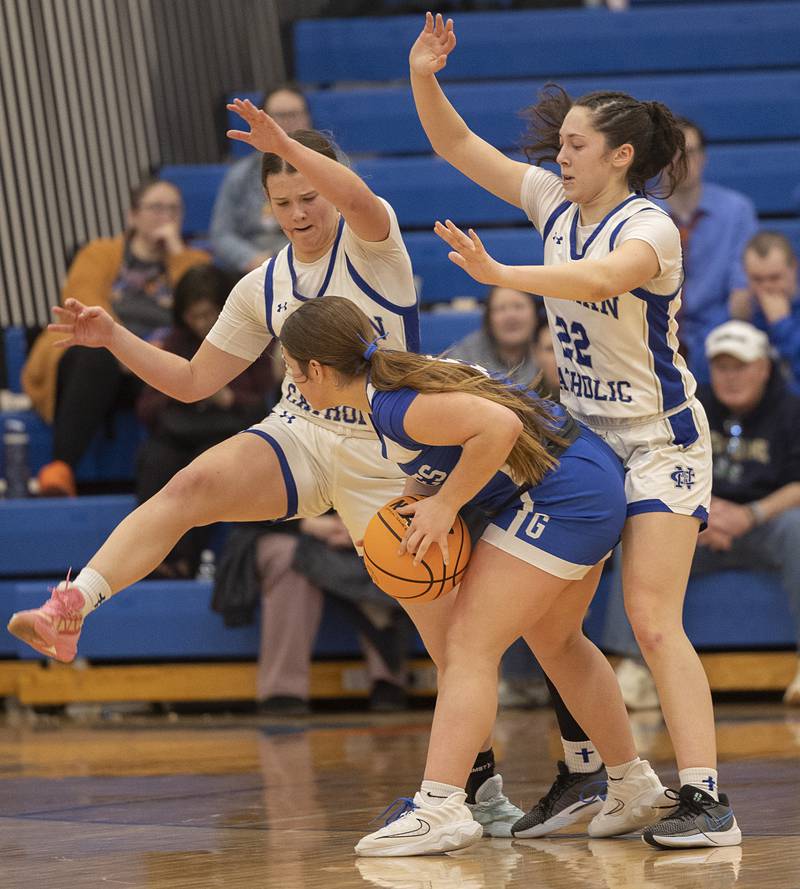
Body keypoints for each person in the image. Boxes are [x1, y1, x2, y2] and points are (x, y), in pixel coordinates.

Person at [6, 100, 520, 836]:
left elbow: (358, 198)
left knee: (451, 646)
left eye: (308, 195)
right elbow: (191, 382)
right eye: (283, 201)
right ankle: (73, 606)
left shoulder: (375, 246)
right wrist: (115, 336)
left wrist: (287, 145)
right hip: (301, 433)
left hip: (391, 454)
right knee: (187, 486)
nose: (300, 211)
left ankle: (480, 787)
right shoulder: (262, 284)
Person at [409, 12, 741, 848]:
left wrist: (498, 272)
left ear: (621, 154)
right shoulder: (552, 199)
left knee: (652, 616)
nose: (559, 154)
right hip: (585, 440)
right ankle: (616, 780)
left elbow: (601, 276)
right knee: (550, 626)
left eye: (575, 143)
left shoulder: (649, 227)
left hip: (660, 441)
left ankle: (706, 797)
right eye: (558, 142)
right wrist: (423, 77)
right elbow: (458, 148)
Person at [278, 295, 672, 857]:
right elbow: (446, 455)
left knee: (468, 645)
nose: (293, 382)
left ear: (314, 370)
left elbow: (500, 426)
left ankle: (441, 806)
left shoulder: (395, 404)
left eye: (292, 370)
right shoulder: (394, 389)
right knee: (557, 642)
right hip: (585, 481)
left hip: (565, 496)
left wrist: (445, 507)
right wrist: (413, 508)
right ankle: (632, 782)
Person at [607, 321, 800, 707]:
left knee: (797, 527)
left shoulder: (790, 410)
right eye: (722, 367)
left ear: (763, 367)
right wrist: (698, 515)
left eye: (741, 366)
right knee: (643, 535)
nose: (731, 377)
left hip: (765, 523)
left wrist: (753, 514)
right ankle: (633, 667)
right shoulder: (690, 408)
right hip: (700, 522)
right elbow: (665, 470)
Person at [22, 179, 209, 496]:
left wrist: (177, 254)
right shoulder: (99, 254)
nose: (165, 216)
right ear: (132, 216)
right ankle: (59, 470)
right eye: (156, 207)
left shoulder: (194, 263)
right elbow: (84, 305)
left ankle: (181, 488)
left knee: (179, 368)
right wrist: (126, 348)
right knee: (96, 355)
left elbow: (204, 314)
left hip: (158, 365)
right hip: (100, 359)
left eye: (173, 209)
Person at [136, 264, 275, 577]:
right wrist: (183, 391)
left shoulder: (253, 338)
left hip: (229, 432)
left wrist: (228, 398)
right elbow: (146, 408)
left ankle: (188, 560)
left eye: (207, 314)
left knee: (207, 469)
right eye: (193, 316)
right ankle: (152, 557)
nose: (200, 324)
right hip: (179, 433)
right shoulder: (175, 341)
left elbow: (269, 407)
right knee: (155, 458)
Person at [447, 284, 548, 709]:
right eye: (501, 307)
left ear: (533, 313)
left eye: (518, 306)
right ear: (488, 316)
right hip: (479, 487)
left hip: (539, 486)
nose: (510, 315)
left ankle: (533, 679)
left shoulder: (552, 351)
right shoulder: (463, 356)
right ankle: (478, 677)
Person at [663, 118, 758, 381]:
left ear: (703, 157)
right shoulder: (640, 212)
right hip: (654, 333)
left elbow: (741, 291)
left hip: (717, 333)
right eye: (673, 153)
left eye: (690, 152)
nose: (682, 161)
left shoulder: (736, 210)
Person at [210, 86, 312, 275]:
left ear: (307, 119)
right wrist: (252, 259)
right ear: (263, 121)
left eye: (294, 114)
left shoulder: (332, 168)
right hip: (257, 269)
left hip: (314, 262)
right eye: (279, 116)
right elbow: (222, 235)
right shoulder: (239, 174)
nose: (288, 124)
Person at [737, 231, 800, 389]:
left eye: (775, 278)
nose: (766, 287)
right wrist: (737, 319)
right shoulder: (741, 314)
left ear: (793, 268)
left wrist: (782, 325)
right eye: (757, 279)